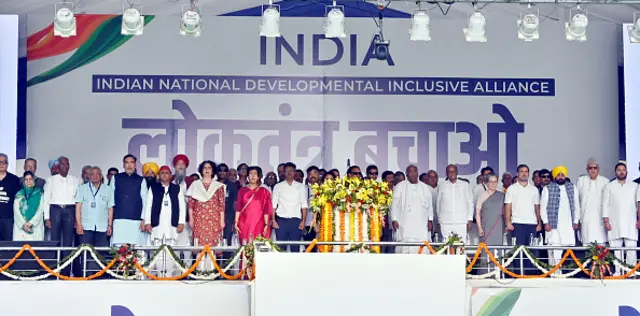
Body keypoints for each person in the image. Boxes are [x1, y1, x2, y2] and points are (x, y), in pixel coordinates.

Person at [144, 165, 186, 276]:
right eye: (162, 173)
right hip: (157, 225)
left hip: (172, 225)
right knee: (157, 250)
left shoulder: (177, 188)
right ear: (159, 175)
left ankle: (170, 275)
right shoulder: (153, 188)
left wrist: (181, 222)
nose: (164, 175)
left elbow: (182, 206)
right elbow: (148, 206)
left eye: (167, 173)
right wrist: (147, 222)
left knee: (172, 250)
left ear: (170, 175)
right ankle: (158, 274)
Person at [540, 166, 581, 268]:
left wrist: (576, 221)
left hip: (568, 224)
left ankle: (561, 271)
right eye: (558, 175)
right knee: (554, 248)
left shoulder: (572, 187)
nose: (561, 177)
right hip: (553, 224)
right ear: (554, 176)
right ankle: (555, 272)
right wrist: (545, 222)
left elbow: (577, 206)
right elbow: (543, 207)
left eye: (562, 174)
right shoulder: (547, 188)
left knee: (566, 249)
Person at [603, 162, 638, 275]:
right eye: (619, 170)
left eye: (623, 170)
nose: (621, 172)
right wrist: (606, 220)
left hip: (630, 222)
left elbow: (638, 205)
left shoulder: (634, 186)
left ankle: (631, 272)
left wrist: (638, 220)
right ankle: (618, 272)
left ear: (626, 172)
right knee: (616, 249)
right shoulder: (609, 186)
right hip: (614, 222)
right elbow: (605, 204)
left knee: (631, 249)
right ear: (615, 172)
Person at [391, 165, 433, 253]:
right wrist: (394, 219)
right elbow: (394, 204)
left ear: (417, 173)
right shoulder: (400, 186)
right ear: (406, 174)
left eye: (415, 171)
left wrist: (430, 220)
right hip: (405, 222)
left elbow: (430, 205)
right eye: (410, 172)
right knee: (405, 244)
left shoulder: (425, 187)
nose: (413, 174)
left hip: (421, 223)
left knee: (422, 243)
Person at [110, 154, 147, 246]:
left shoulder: (141, 180)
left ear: (135, 165)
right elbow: (110, 200)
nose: (129, 165)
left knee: (137, 251)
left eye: (132, 162)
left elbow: (145, 201)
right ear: (123, 165)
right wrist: (110, 222)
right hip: (119, 219)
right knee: (119, 250)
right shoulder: (116, 178)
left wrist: (144, 219)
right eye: (127, 163)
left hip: (136, 220)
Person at [43, 156, 81, 245]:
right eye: (62, 164)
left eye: (67, 163)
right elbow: (46, 200)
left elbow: (78, 201)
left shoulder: (76, 180)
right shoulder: (50, 180)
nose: (65, 166)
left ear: (69, 166)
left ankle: (67, 258)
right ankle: (55, 258)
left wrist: (77, 218)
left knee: (68, 238)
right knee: (55, 238)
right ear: (58, 166)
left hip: (70, 210)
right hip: (55, 210)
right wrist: (47, 218)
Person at [187, 161, 226, 246]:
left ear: (213, 171)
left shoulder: (218, 186)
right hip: (199, 219)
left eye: (209, 168)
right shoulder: (195, 184)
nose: (207, 169)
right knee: (199, 246)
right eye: (205, 168)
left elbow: (221, 205)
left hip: (214, 220)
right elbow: (191, 205)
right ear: (201, 170)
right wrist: (191, 219)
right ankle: (200, 259)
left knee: (213, 246)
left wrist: (222, 221)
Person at [272, 162, 307, 252]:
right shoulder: (278, 186)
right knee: (281, 248)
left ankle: (294, 266)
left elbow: (304, 205)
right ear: (283, 173)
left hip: (295, 221)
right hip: (281, 221)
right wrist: (273, 220)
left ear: (295, 172)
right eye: (287, 171)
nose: (289, 173)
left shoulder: (301, 187)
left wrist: (303, 221)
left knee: (295, 248)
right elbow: (273, 205)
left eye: (291, 171)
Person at [75, 167, 113, 247]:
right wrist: (79, 225)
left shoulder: (108, 190)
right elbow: (78, 208)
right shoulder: (82, 188)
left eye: (97, 174)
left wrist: (109, 225)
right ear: (89, 176)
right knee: (85, 253)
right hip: (85, 226)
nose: (95, 176)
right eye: (92, 174)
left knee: (100, 254)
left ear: (101, 176)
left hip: (102, 227)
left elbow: (110, 208)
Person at [504, 164, 541, 245]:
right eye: (521, 172)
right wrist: (508, 223)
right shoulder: (511, 189)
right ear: (517, 174)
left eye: (526, 172)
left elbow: (537, 208)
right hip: (517, 223)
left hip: (532, 223)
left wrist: (539, 223)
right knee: (518, 251)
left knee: (532, 252)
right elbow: (507, 207)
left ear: (528, 174)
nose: (524, 174)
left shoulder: (534, 190)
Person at [436, 164, 473, 243]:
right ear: (446, 173)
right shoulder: (442, 185)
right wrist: (440, 220)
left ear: (457, 172)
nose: (451, 173)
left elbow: (470, 202)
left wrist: (469, 219)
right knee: (446, 246)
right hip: (446, 222)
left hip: (461, 221)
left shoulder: (465, 185)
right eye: (449, 171)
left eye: (453, 171)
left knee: (461, 246)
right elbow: (438, 203)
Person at [235, 166, 273, 242]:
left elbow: (266, 209)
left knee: (258, 245)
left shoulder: (264, 191)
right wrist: (236, 223)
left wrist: (266, 224)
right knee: (246, 245)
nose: (253, 176)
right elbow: (238, 207)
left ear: (259, 176)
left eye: (255, 174)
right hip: (244, 222)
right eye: (250, 173)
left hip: (259, 223)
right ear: (248, 176)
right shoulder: (242, 190)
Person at [576, 158, 609, 244]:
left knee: (601, 244)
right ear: (587, 169)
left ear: (598, 169)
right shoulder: (581, 180)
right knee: (587, 243)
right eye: (590, 168)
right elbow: (577, 201)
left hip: (600, 219)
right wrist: (577, 219)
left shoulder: (605, 181)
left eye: (595, 168)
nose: (593, 170)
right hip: (586, 218)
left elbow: (608, 202)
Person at [172, 154, 194, 264]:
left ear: (186, 166)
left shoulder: (190, 182)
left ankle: (187, 272)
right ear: (174, 166)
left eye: (182, 164)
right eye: (178, 164)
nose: (180, 166)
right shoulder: (169, 179)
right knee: (173, 247)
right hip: (171, 220)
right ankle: (175, 273)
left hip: (186, 219)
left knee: (187, 247)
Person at [13, 171, 45, 241]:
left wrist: (31, 223)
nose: (28, 181)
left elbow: (41, 209)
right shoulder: (19, 194)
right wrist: (24, 224)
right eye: (26, 179)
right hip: (21, 228)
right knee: (21, 250)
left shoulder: (39, 193)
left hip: (35, 227)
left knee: (35, 250)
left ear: (33, 180)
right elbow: (16, 211)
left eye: (30, 179)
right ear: (23, 181)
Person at [475, 173, 504, 245]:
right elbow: (477, 213)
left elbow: (506, 212)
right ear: (487, 183)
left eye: (495, 182)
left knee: (498, 250)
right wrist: (479, 228)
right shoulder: (482, 196)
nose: (493, 184)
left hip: (499, 227)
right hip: (486, 227)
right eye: (491, 182)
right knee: (486, 248)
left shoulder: (502, 195)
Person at [216, 163, 238, 252]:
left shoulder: (232, 186)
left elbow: (235, 204)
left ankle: (227, 263)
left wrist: (235, 221)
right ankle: (215, 263)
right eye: (220, 170)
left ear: (227, 173)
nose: (222, 172)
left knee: (227, 241)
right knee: (215, 241)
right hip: (214, 217)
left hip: (228, 217)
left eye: (224, 170)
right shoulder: (212, 184)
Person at [0, 153, 21, 241]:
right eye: (0, 162)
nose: (2, 164)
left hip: (8, 218)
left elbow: (18, 199)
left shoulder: (14, 179)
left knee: (7, 244)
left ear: (7, 164)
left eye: (4, 162)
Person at [303, 166, 320, 243]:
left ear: (319, 175)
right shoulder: (303, 189)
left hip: (323, 223)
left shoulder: (325, 188)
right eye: (310, 174)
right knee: (309, 248)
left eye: (315, 173)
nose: (312, 175)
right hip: (308, 223)